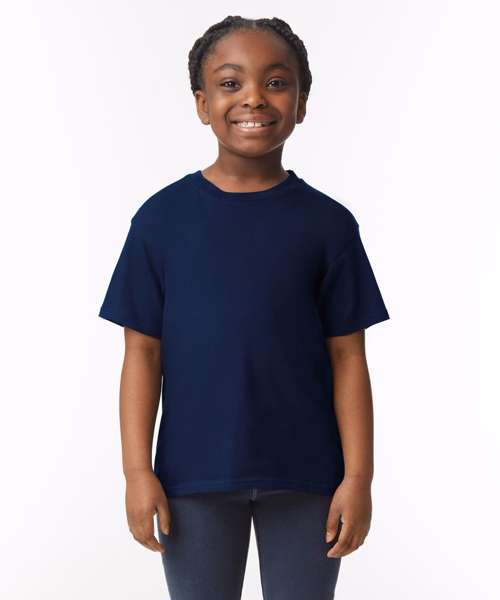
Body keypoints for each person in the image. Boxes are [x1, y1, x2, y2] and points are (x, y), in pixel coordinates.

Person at [98, 15, 390, 600]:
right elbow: (142, 354)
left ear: (302, 104)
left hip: (308, 477)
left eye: (276, 82)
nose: (254, 97)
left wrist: (358, 478)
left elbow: (348, 358)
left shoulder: (329, 225)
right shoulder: (160, 221)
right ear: (202, 103)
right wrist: (136, 471)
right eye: (231, 83)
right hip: (191, 479)